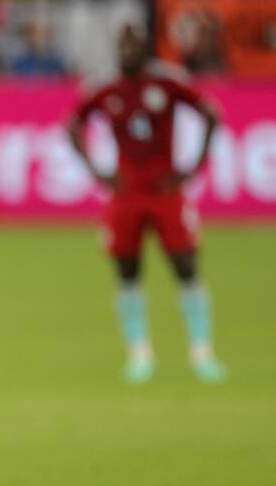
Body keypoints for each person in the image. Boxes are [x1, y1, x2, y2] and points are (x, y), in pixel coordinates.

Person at [67, 23, 227, 384]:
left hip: (165, 189)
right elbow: (72, 124)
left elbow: (211, 113)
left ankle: (202, 352)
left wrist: (194, 167)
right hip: (126, 192)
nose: (127, 50)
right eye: (122, 44)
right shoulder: (104, 86)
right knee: (127, 272)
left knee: (185, 265)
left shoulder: (167, 81)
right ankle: (139, 354)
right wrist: (98, 171)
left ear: (146, 47)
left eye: (134, 43)